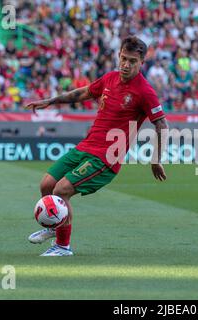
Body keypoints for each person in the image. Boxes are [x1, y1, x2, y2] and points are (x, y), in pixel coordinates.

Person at [24, 36, 168, 256]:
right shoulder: (110, 78)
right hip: (86, 146)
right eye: (123, 58)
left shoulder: (145, 92)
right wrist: (51, 101)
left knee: (61, 190)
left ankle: (63, 247)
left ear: (141, 63)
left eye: (132, 61)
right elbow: (82, 93)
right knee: (46, 185)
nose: (126, 64)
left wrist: (156, 159)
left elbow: (162, 125)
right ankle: (56, 226)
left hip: (106, 157)